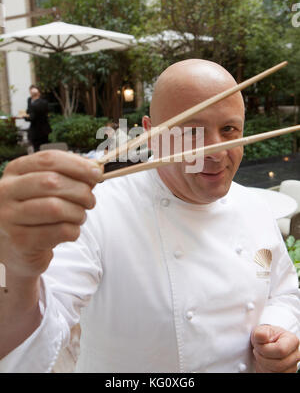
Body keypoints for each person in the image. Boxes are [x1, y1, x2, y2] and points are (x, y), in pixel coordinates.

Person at [0, 59, 299, 373]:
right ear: (151, 134)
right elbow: (28, 344)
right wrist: (15, 266)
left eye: (229, 129)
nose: (215, 151)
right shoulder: (97, 212)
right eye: (191, 132)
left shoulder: (253, 207)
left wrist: (278, 330)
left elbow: (282, 290)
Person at [23, 85, 51, 152]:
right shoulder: (43, 102)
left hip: (38, 130)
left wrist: (25, 117)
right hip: (41, 129)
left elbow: (32, 117)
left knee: (39, 148)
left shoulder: (37, 104)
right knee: (43, 148)